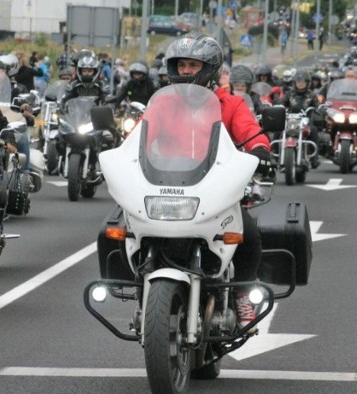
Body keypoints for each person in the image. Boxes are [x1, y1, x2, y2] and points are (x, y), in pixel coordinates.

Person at [102, 33, 272, 327]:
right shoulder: (163, 106)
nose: (185, 71)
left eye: (193, 64)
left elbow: (251, 132)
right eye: (181, 64)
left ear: (210, 68)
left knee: (250, 234)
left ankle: (242, 293)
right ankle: (136, 285)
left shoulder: (229, 104)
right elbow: (137, 138)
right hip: (163, 184)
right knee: (118, 227)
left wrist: (261, 151)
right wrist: (118, 154)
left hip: (215, 190)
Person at [281, 68, 321, 168]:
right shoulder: (289, 94)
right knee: (278, 129)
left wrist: (319, 109)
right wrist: (278, 106)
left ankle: (314, 157)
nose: (300, 84)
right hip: (290, 120)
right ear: (294, 83)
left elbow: (317, 106)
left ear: (307, 83)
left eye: (303, 82)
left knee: (314, 131)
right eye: (298, 82)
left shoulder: (311, 95)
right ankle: (274, 154)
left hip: (305, 121)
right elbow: (281, 103)